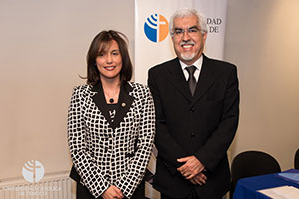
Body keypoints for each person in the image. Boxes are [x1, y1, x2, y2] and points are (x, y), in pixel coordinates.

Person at [148, 8, 239, 199]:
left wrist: (201, 161)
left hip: (211, 180)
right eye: (179, 31)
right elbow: (156, 125)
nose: (185, 37)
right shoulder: (157, 75)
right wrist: (186, 166)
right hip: (174, 182)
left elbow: (229, 122)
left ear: (204, 35)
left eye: (192, 30)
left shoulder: (226, 73)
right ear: (172, 38)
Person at [67, 30, 155, 199]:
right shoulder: (80, 95)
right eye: (102, 54)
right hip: (91, 188)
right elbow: (77, 148)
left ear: (123, 58)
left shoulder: (142, 94)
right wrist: (102, 188)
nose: (109, 60)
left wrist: (124, 186)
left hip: (130, 188)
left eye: (115, 53)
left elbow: (145, 144)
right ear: (94, 60)